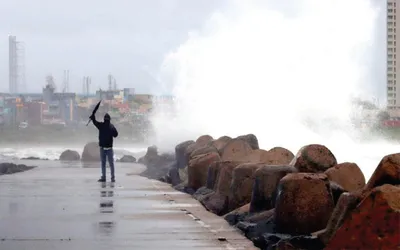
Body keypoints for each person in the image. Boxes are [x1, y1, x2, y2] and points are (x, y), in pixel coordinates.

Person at [90, 113, 119, 182]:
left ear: (104, 119)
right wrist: (93, 118)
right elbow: (116, 135)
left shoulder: (101, 125)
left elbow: (95, 122)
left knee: (103, 164)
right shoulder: (111, 126)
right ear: (109, 120)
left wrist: (93, 117)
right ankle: (112, 178)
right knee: (111, 164)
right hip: (109, 149)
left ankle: (104, 177)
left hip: (102, 148)